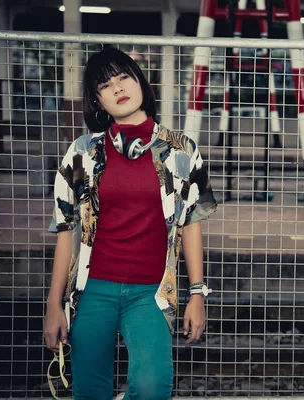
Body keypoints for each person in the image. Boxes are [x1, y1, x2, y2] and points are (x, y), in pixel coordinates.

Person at [43, 46, 218, 400]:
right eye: (105, 86)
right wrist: (53, 305)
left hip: (150, 292)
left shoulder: (180, 150)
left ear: (140, 83)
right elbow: (66, 230)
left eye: (124, 77)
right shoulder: (82, 152)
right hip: (93, 291)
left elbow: (191, 224)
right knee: (90, 390)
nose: (118, 88)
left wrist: (197, 294)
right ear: (97, 101)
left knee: (154, 388)